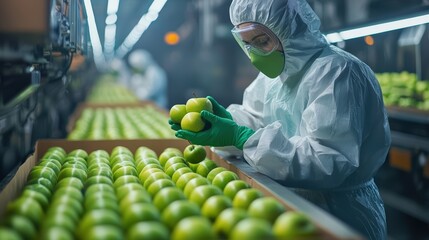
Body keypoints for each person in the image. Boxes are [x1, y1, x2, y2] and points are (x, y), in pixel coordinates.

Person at [169, 0, 391, 239]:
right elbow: (256, 119)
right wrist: (225, 123)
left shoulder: (337, 72)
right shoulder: (276, 76)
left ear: (291, 31)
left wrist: (241, 137)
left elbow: (326, 160)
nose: (254, 55)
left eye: (262, 41)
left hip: (337, 211)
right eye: (248, 45)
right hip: (283, 205)